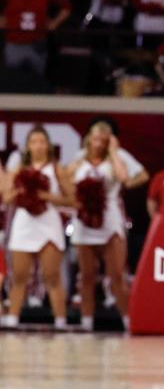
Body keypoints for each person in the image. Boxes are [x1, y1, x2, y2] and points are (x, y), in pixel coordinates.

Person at [70, 121, 146, 332]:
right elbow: (67, 181)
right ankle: (86, 322)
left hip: (110, 220)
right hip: (84, 221)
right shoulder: (79, 159)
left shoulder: (117, 157)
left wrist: (113, 150)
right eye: (95, 137)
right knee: (86, 275)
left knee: (117, 274)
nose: (99, 142)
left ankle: (129, 321)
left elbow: (124, 178)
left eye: (104, 139)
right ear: (88, 138)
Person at [0, 126, 71, 330]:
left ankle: (60, 321)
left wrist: (47, 196)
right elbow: (5, 197)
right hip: (25, 223)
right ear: (28, 146)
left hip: (48, 222)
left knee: (52, 275)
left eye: (42, 141)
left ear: (48, 145)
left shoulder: (57, 168)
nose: (38, 145)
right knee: (19, 275)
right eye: (34, 142)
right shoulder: (19, 170)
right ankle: (13, 319)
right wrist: (21, 192)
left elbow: (72, 200)